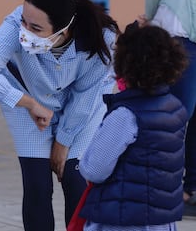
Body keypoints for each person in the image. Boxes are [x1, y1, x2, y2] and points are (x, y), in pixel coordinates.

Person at [0, 0, 120, 230]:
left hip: (83, 108)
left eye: (36, 29)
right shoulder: (18, 21)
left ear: (65, 28)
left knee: (76, 179)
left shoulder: (102, 37)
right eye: (24, 22)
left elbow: (84, 99)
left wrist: (63, 142)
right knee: (37, 183)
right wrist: (27, 103)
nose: (25, 31)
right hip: (27, 102)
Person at [79, 22, 189, 231]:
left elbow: (94, 170)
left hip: (123, 219)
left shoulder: (125, 115)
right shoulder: (175, 108)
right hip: (161, 221)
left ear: (125, 64)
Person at [142, 0, 196, 207]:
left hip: (178, 38)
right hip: (177, 38)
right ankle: (163, 188)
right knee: (175, 119)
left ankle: (190, 188)